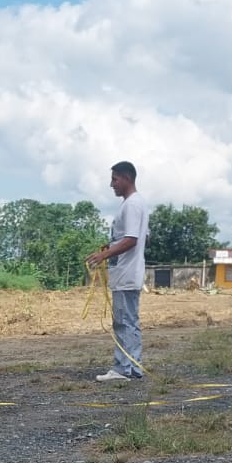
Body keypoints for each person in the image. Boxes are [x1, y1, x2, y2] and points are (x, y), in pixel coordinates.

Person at [87, 161, 149, 383]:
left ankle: (124, 369)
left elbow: (132, 239)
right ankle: (132, 367)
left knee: (123, 322)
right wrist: (112, 246)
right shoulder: (136, 204)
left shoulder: (132, 205)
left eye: (115, 179)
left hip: (126, 274)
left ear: (127, 178)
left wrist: (105, 255)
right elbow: (141, 237)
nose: (111, 184)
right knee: (128, 321)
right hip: (128, 273)